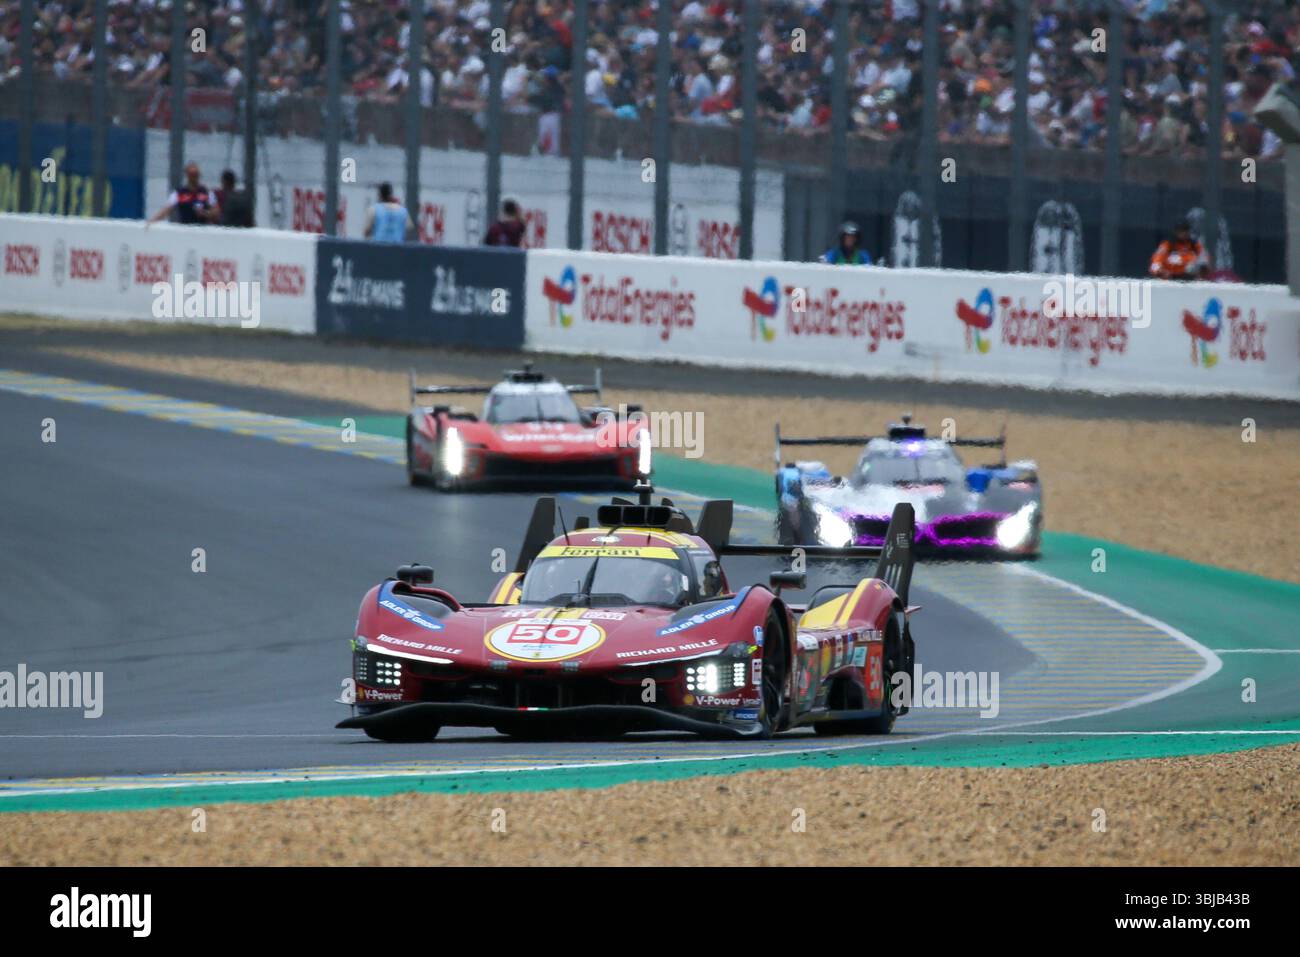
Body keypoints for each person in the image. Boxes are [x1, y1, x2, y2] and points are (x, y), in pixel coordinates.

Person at [146, 162, 219, 226]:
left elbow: (216, 211)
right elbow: (167, 210)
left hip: (202, 230)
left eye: (196, 174)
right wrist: (153, 220)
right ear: (187, 175)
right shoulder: (179, 193)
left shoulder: (206, 192)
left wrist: (206, 213)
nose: (194, 177)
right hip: (185, 228)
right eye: (191, 174)